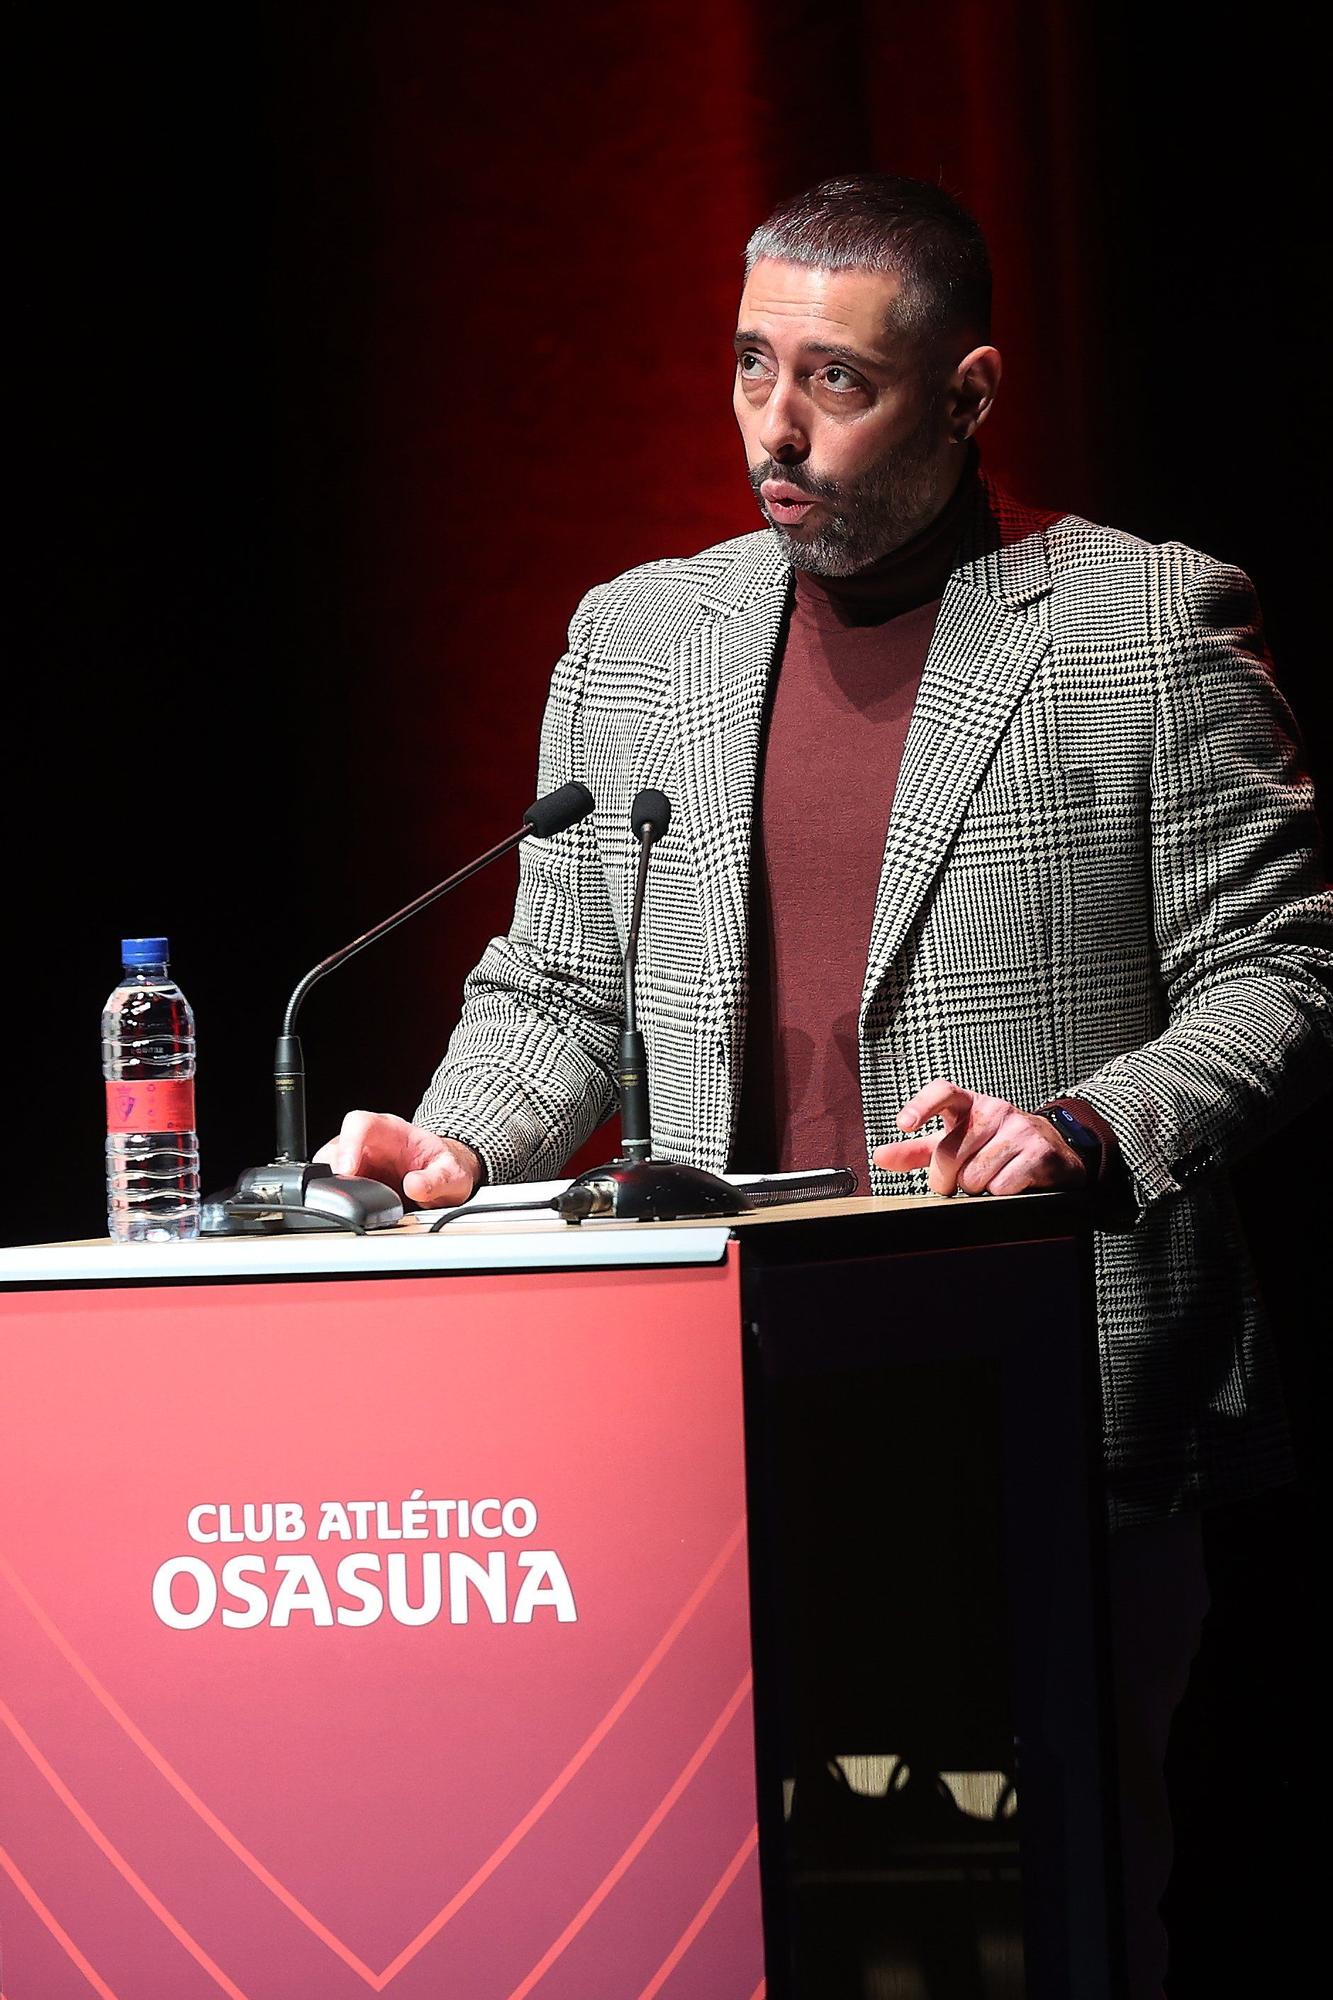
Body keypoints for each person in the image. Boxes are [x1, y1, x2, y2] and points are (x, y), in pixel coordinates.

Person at [319, 176, 1333, 1992]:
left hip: (1048, 1407)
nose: (773, 430)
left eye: (838, 384)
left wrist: (1086, 1127)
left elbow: (1279, 979)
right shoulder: (638, 640)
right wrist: (454, 1141)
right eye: (746, 366)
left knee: (1041, 1930)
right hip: (711, 1416)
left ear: (967, 390)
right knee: (746, 1923)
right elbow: (560, 987)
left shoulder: (1142, 628)